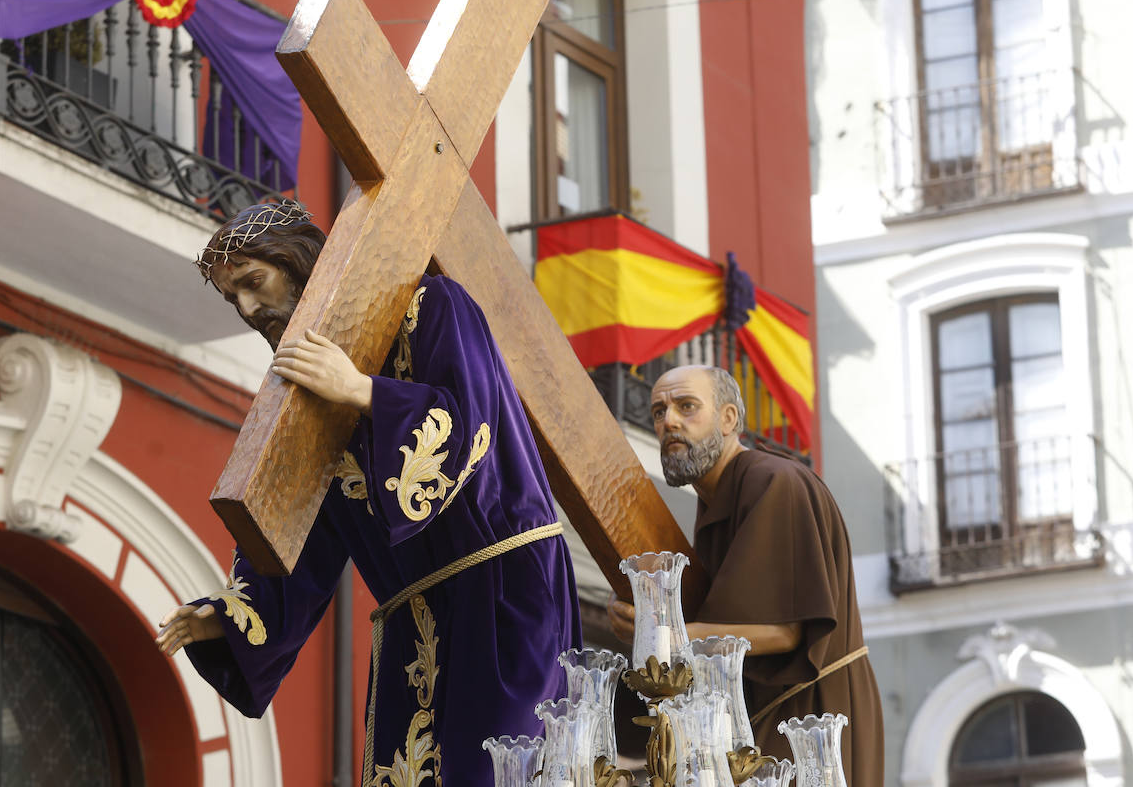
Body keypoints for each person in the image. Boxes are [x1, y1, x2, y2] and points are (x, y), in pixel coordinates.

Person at [155, 201, 581, 787]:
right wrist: (231, 616)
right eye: (235, 299)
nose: (250, 309)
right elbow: (299, 537)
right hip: (415, 620)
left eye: (255, 282)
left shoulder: (431, 305)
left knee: (500, 773)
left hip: (502, 591)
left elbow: (469, 422)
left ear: (298, 261)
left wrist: (361, 390)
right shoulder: (299, 399)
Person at [608, 365, 883, 787]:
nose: (669, 422)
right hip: (765, 713)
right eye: (659, 411)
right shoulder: (720, 497)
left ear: (729, 419)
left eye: (687, 407)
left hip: (810, 716)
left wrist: (668, 635)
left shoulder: (775, 482)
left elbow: (784, 631)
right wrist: (642, 613)